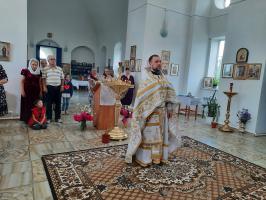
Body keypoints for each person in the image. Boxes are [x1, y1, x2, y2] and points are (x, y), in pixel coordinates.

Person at [125, 54, 181, 166]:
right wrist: (145, 110)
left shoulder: (164, 79)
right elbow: (141, 98)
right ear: (150, 63)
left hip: (163, 114)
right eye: (156, 61)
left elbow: (170, 95)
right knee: (150, 137)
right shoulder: (147, 80)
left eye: (160, 61)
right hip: (150, 114)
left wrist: (170, 109)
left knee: (161, 136)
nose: (159, 63)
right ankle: (146, 159)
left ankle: (158, 158)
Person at [42, 55, 64, 123]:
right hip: (49, 88)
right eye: (51, 59)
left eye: (54, 59)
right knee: (49, 104)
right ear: (48, 61)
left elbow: (62, 78)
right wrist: (44, 87)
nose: (53, 60)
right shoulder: (45, 69)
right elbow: (43, 79)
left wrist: (62, 86)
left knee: (58, 103)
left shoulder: (59, 69)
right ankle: (49, 118)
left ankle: (58, 118)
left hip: (58, 88)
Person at [20, 58, 42, 123]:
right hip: (27, 91)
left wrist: (40, 92)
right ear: (30, 64)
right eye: (33, 64)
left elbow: (40, 82)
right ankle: (27, 119)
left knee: (35, 105)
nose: (34, 66)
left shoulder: (39, 72)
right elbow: (22, 81)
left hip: (36, 92)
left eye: (36, 64)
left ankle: (34, 119)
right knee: (27, 105)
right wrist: (22, 90)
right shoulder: (25, 71)